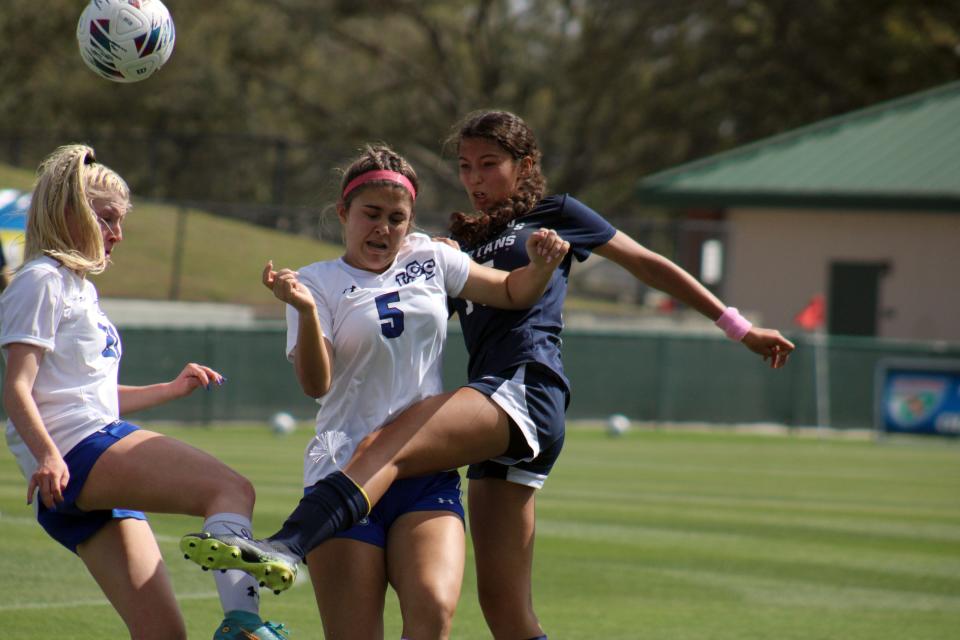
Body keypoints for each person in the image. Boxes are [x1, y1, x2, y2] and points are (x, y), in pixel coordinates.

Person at [182, 111, 795, 640]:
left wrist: (735, 326)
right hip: (482, 421)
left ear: (525, 164)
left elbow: (645, 264)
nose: (475, 179)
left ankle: (291, 541)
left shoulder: (555, 216)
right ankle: (299, 540)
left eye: (490, 164)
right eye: (466, 166)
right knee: (505, 610)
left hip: (523, 389)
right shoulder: (450, 246)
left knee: (397, 436)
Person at [186, 144, 569, 639]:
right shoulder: (314, 282)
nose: (384, 228)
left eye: (397, 217)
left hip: (423, 476)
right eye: (371, 214)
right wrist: (304, 312)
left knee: (432, 609)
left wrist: (540, 266)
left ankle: (286, 544)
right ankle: (289, 545)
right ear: (343, 213)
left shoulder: (432, 259)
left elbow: (513, 291)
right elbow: (314, 384)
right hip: (343, 470)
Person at [0, 144, 288, 640]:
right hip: (78, 455)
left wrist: (170, 389)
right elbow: (17, 386)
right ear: (66, 210)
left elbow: (89, 395)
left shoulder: (77, 287)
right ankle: (243, 624)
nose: (117, 234)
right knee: (231, 489)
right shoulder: (40, 280)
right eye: (106, 218)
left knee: (161, 633)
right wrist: (47, 455)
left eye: (120, 221)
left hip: (77, 464)